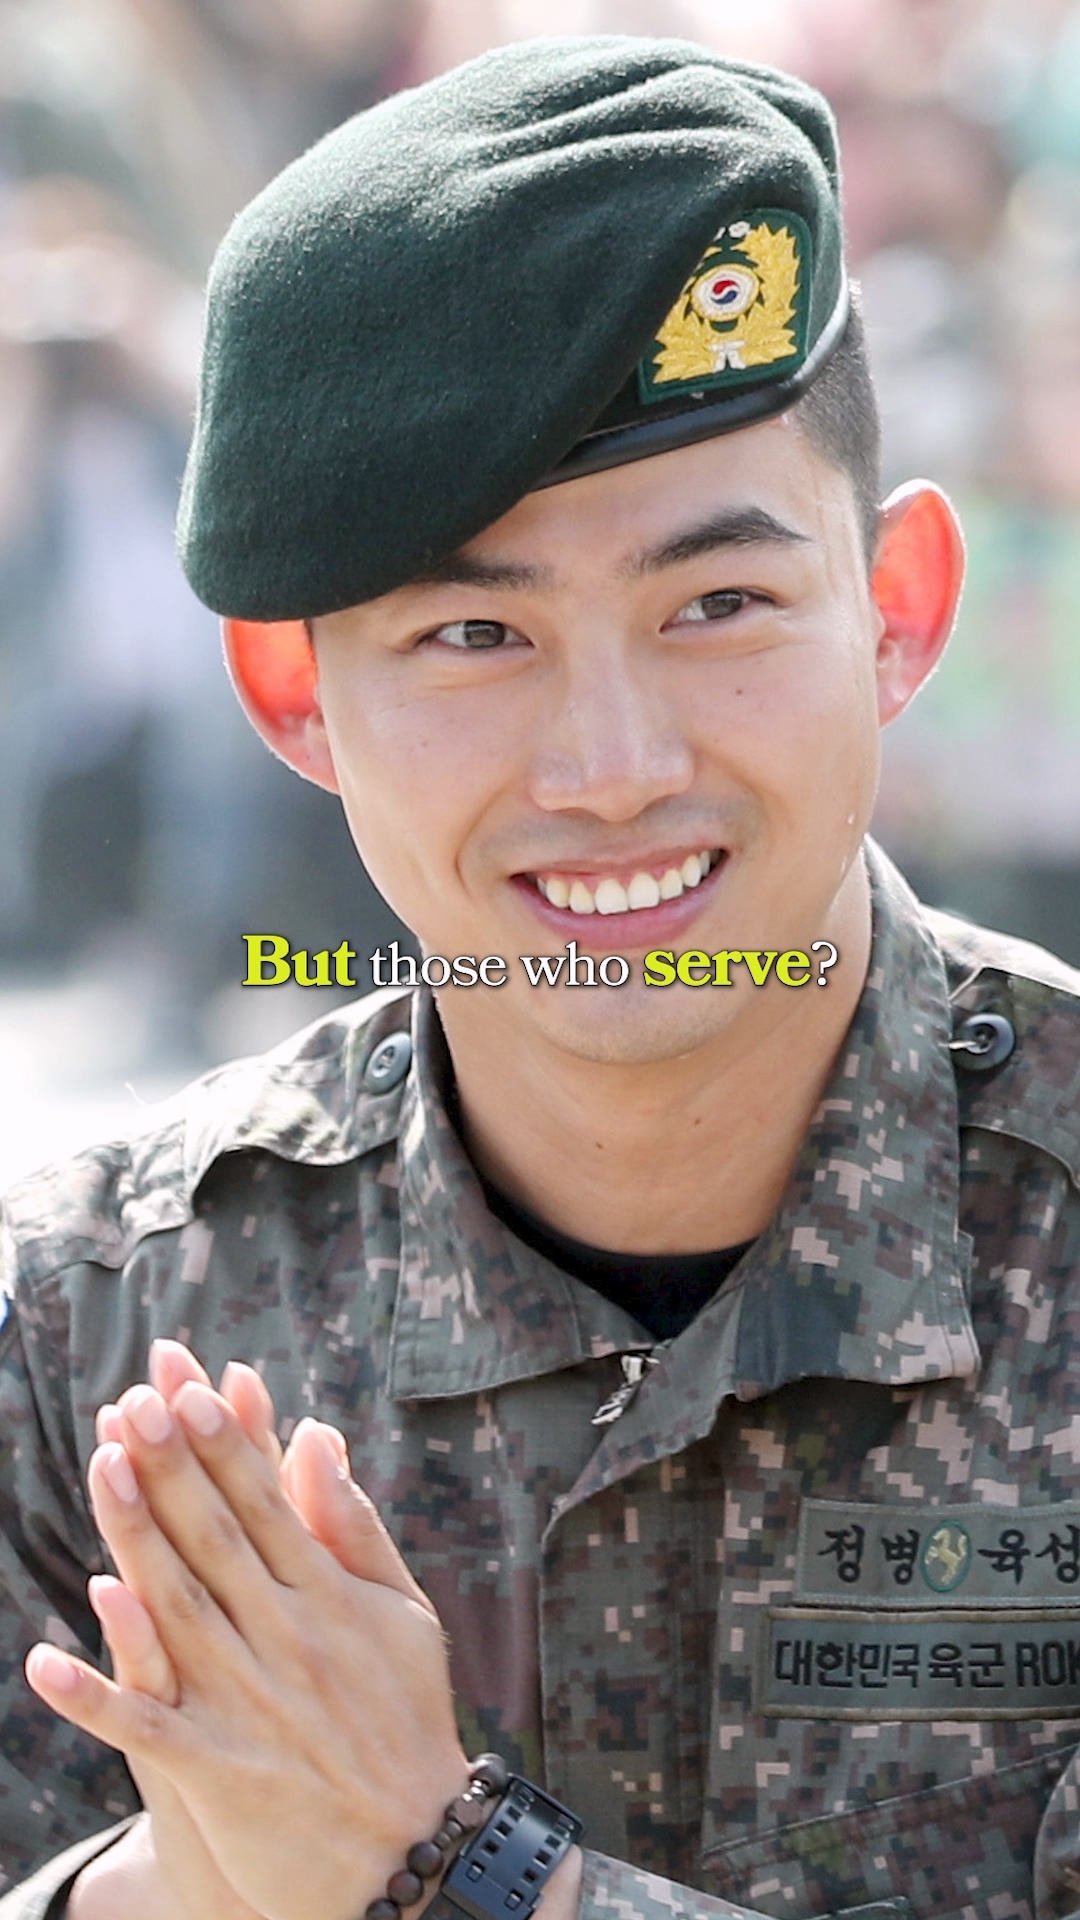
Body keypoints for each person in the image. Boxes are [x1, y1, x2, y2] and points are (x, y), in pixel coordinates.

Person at [2, 32, 1080, 1920]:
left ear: (900, 612)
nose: (611, 766)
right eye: (475, 631)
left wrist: (455, 1877)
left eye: (717, 605)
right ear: (290, 696)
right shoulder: (90, 1331)